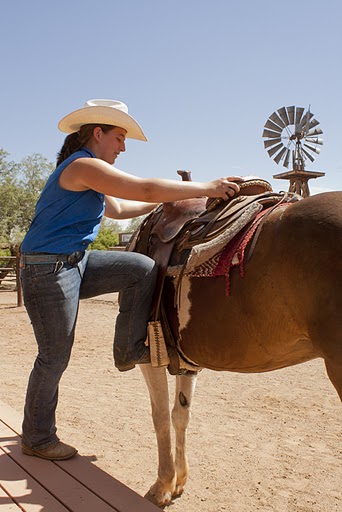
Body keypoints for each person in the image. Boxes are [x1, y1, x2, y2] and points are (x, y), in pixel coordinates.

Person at [20, 99, 241, 461]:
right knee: (54, 355)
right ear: (97, 133)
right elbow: (143, 189)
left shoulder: (89, 175)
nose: (123, 147)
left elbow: (123, 207)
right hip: (48, 269)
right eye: (119, 138)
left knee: (140, 268)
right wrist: (208, 187)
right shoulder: (82, 167)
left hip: (75, 262)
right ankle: (37, 438)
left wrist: (165, 205)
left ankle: (129, 349)